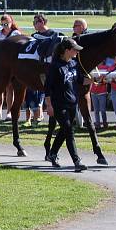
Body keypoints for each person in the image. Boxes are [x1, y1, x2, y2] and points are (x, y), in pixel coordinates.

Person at [45, 38, 91, 172]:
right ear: (67, 50)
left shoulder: (74, 64)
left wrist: (96, 80)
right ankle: (77, 161)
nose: (77, 52)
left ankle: (52, 154)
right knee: (69, 131)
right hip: (59, 105)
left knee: (65, 131)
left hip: (72, 104)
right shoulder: (55, 66)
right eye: (74, 49)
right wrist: (49, 106)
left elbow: (81, 80)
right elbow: (47, 88)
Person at [24, 14, 64, 126]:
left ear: (41, 22)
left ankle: (55, 119)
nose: (33, 25)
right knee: (32, 93)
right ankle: (35, 119)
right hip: (36, 70)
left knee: (52, 94)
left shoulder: (55, 35)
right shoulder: (34, 36)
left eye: (35, 22)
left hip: (50, 71)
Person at [0, 14, 21, 120]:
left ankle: (9, 112)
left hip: (11, 65)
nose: (4, 26)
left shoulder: (16, 33)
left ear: (11, 22)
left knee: (10, 88)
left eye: (6, 24)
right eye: (2, 24)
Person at [90, 61, 110, 129]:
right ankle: (97, 124)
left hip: (102, 92)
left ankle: (105, 123)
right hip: (93, 92)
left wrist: (104, 80)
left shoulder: (106, 67)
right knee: (96, 110)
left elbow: (108, 79)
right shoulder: (92, 67)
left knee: (103, 110)